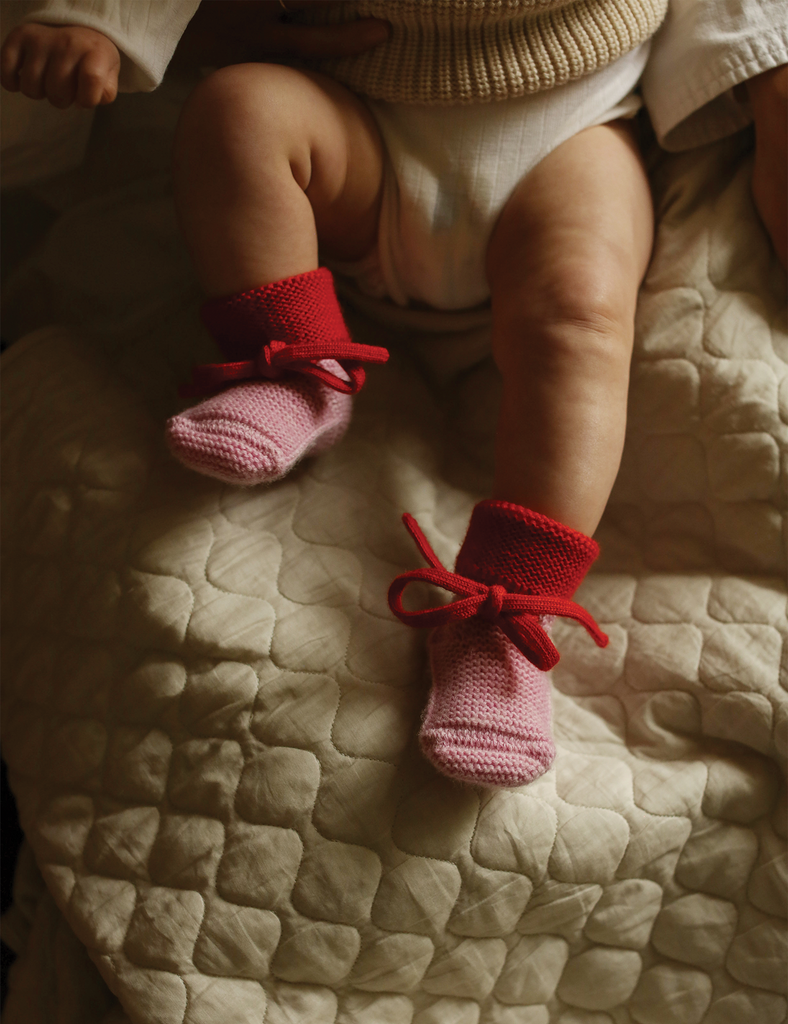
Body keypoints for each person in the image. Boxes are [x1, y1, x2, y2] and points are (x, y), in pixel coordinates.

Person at [3, 1, 786, 789]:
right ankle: (294, 367)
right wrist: (98, 22)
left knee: (582, 319)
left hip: (569, 127)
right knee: (236, 112)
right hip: (356, 115)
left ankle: (506, 611)